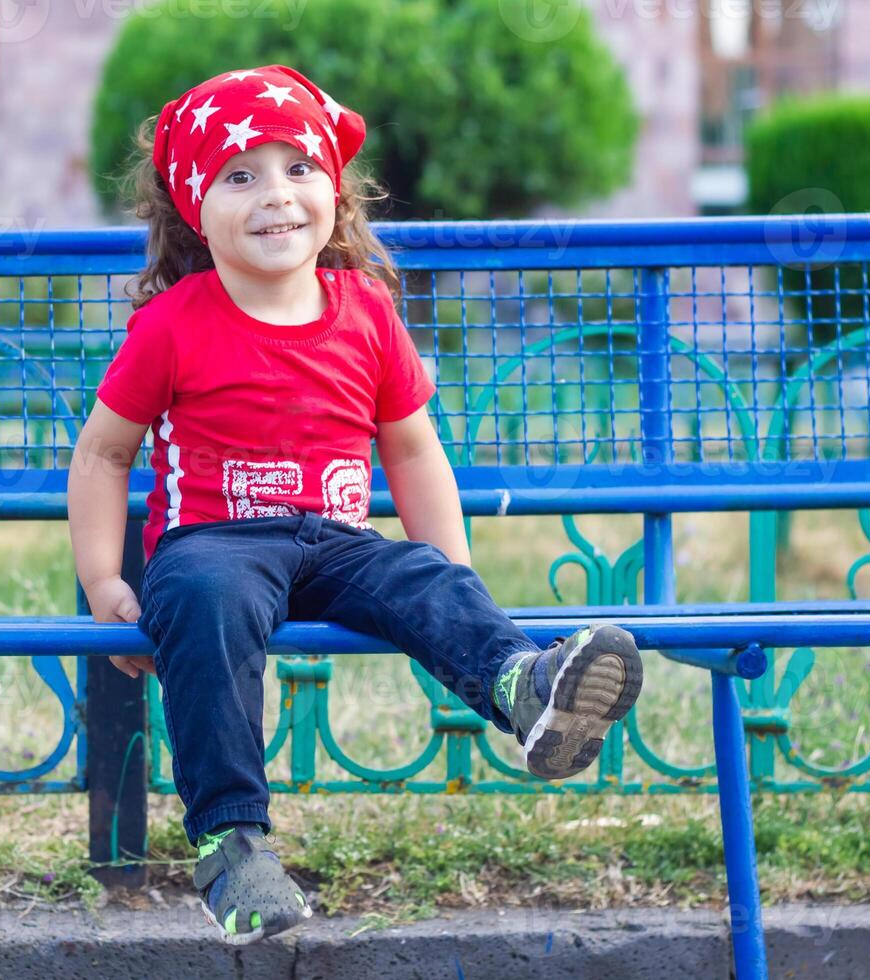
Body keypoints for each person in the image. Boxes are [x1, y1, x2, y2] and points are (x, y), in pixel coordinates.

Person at [66, 64, 643, 945]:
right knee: (204, 604)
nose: (276, 196)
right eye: (241, 175)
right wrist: (106, 580)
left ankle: (523, 690)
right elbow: (107, 453)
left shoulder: (365, 310)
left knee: (421, 574)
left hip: (338, 542)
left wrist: (453, 575)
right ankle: (232, 841)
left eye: (298, 168)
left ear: (333, 188)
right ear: (195, 206)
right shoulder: (176, 322)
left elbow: (413, 450)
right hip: (214, 544)